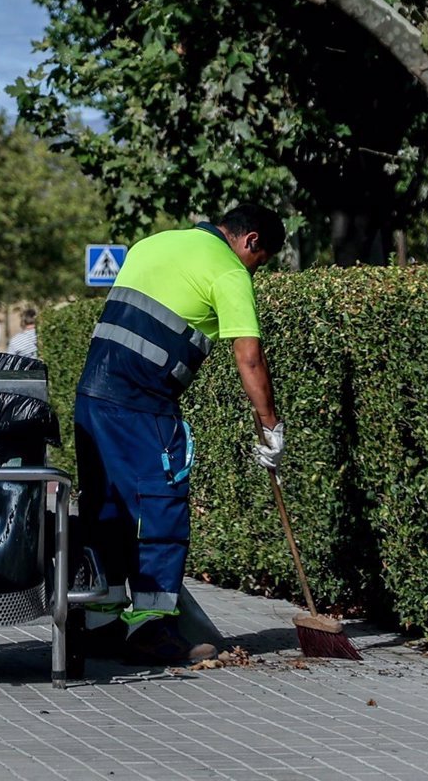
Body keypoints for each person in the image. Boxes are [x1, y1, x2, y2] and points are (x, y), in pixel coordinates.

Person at [74, 203, 286, 665]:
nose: (256, 270)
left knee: (104, 508)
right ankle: (151, 629)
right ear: (250, 242)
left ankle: (97, 622)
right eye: (261, 260)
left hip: (92, 396)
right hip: (143, 405)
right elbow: (248, 357)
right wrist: (271, 426)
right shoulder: (229, 272)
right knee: (161, 511)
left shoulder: (153, 243)